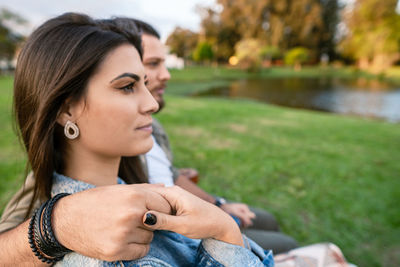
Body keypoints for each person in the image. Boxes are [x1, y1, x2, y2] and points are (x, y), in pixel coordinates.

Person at [7, 12, 273, 266]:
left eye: (145, 84)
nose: (151, 104)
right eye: (127, 87)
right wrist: (225, 232)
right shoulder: (114, 252)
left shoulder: (130, 179)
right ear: (66, 110)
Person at [111, 17, 298, 253]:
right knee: (288, 245)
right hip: (187, 239)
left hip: (193, 223)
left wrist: (220, 205)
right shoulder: (116, 139)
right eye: (153, 63)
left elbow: (171, 176)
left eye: (164, 63)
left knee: (267, 220)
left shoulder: (153, 128)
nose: (166, 75)